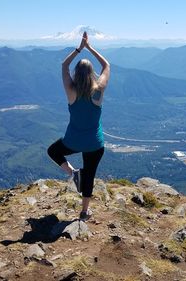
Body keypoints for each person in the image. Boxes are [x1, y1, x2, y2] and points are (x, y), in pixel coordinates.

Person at [47, 31, 110, 221]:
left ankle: (73, 172)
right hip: (95, 144)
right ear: (92, 74)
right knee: (89, 175)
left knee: (53, 151)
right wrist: (90, 48)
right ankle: (84, 212)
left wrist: (79, 49)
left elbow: (64, 65)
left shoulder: (71, 91)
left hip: (73, 141)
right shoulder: (98, 90)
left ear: (76, 73)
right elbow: (107, 65)